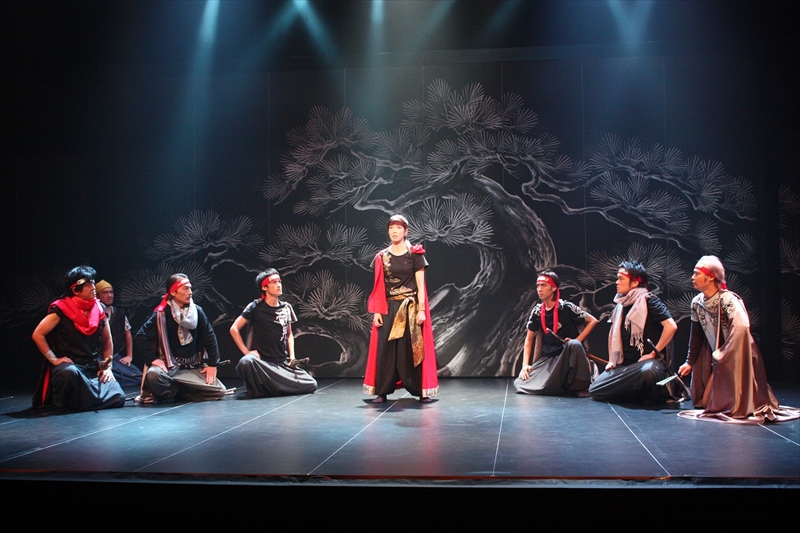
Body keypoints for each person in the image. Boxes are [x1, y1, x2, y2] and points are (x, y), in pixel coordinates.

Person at [677, 256, 800, 423]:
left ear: (711, 277)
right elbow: (697, 336)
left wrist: (726, 353)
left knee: (733, 406)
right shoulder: (697, 302)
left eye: (697, 273)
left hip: (739, 356)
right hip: (719, 360)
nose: (693, 277)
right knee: (705, 403)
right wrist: (689, 362)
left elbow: (742, 326)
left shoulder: (728, 299)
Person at [363, 214, 439, 403]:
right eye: (391, 228)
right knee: (386, 349)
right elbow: (379, 286)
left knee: (412, 349)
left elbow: (421, 285)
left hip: (410, 307)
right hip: (389, 307)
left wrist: (421, 310)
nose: (394, 231)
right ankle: (382, 391)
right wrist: (377, 311)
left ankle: (420, 390)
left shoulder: (415, 254)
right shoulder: (382, 256)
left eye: (398, 228)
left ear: (406, 231)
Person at [31, 266, 126, 411]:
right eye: (88, 285)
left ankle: (80, 403)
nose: (93, 288)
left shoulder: (99, 308)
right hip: (71, 365)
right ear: (75, 290)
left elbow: (107, 340)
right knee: (68, 373)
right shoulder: (61, 309)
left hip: (92, 365)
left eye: (93, 283)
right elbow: (38, 334)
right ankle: (81, 401)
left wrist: (108, 367)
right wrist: (54, 359)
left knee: (118, 396)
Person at [588, 260, 679, 404]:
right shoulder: (620, 306)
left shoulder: (649, 301)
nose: (617, 282)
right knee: (595, 389)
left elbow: (671, 326)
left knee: (649, 372)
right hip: (626, 367)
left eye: (621, 279)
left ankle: (632, 391)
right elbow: (613, 335)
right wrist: (612, 361)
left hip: (649, 364)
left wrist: (653, 353)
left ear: (635, 282)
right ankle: (638, 393)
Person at [134, 273, 226, 402]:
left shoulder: (197, 311)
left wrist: (212, 364)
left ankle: (180, 392)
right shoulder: (162, 314)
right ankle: (179, 391)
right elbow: (140, 336)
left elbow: (209, 336)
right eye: (185, 289)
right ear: (173, 292)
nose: (190, 292)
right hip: (170, 368)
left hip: (192, 367)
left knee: (219, 391)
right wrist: (153, 359)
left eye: (190, 288)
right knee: (153, 375)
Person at [231, 269, 317, 398]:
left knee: (311, 384)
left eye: (279, 281)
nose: (279, 285)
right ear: (264, 287)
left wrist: (292, 357)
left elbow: (289, 335)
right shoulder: (255, 307)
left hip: (281, 364)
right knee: (246, 362)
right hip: (263, 363)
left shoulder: (286, 307)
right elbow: (234, 329)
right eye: (274, 282)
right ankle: (276, 386)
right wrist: (246, 352)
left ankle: (270, 387)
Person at [514, 270, 598, 396]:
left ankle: (579, 386)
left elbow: (592, 321)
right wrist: (525, 365)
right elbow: (529, 339)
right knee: (521, 383)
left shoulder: (566, 307)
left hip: (569, 355)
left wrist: (577, 340)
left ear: (553, 288)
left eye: (544, 285)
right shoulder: (537, 311)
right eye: (538, 286)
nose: (539, 289)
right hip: (550, 358)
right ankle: (561, 385)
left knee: (575, 344)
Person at [95, 280, 142, 387]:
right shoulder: (93, 314)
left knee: (138, 376)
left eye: (111, 292)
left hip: (114, 357)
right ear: (97, 296)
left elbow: (127, 333)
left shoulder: (119, 314)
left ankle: (114, 380)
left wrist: (129, 356)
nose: (109, 295)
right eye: (105, 292)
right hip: (98, 358)